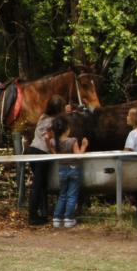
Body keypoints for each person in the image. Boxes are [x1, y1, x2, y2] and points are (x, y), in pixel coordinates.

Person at [25, 95, 67, 226]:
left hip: (32, 150)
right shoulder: (53, 122)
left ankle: (41, 213)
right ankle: (32, 216)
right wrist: (53, 152)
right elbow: (49, 138)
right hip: (42, 152)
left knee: (41, 184)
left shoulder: (43, 117)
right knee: (38, 185)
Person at [50, 115, 89, 229]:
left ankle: (57, 218)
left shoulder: (53, 142)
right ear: (67, 129)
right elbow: (78, 156)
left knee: (62, 195)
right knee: (72, 195)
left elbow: (54, 154)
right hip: (73, 170)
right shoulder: (72, 141)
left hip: (62, 170)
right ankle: (68, 218)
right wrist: (84, 146)